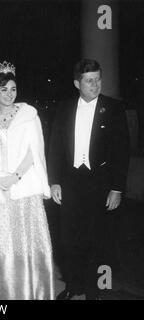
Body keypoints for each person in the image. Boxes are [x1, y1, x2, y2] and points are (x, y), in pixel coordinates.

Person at [0, 61, 54, 300]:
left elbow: (34, 152)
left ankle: (26, 288)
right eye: (4, 89)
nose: (9, 94)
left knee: (22, 237)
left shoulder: (28, 115)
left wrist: (14, 178)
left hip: (22, 183)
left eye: (13, 89)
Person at [48, 59, 130, 300]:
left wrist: (117, 188)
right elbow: (54, 147)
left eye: (98, 79)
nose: (95, 84)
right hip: (71, 182)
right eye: (89, 80)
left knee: (100, 239)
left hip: (101, 183)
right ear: (77, 83)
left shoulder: (113, 108)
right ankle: (74, 285)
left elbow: (121, 151)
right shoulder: (64, 108)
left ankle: (96, 290)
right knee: (70, 239)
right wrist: (54, 181)